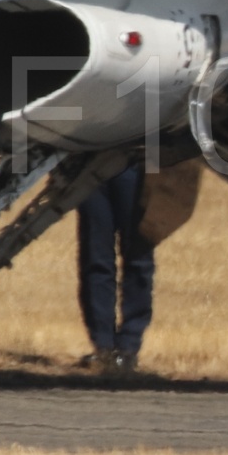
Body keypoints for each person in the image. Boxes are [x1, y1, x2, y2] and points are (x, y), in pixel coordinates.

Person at [78, 160, 156, 375]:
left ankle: (128, 347)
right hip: (89, 162)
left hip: (134, 162)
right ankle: (103, 347)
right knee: (95, 258)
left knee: (138, 257)